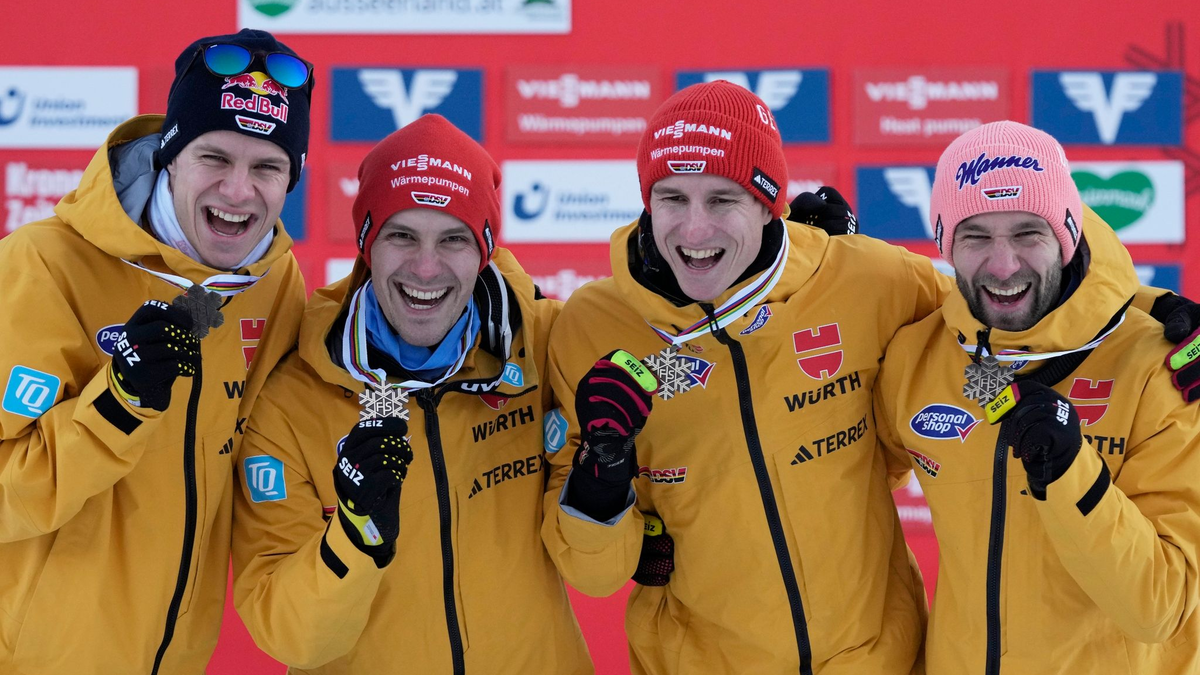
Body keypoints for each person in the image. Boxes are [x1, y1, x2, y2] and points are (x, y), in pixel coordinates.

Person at [540, 80, 947, 675]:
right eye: (672, 198)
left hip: (878, 659)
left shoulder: (871, 280)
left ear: (767, 203)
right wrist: (600, 476)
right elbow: (593, 574)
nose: (693, 231)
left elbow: (1000, 334)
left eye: (722, 199)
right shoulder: (592, 328)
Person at [231, 114, 593, 674]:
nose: (426, 268)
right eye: (401, 235)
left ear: (485, 250)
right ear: (366, 246)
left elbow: (599, 569)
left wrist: (605, 476)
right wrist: (355, 535)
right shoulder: (291, 396)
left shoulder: (547, 346)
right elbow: (291, 637)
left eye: (453, 238)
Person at [0, 28, 312, 675]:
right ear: (171, 154)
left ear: (293, 179)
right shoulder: (41, 265)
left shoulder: (276, 283)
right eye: (214, 157)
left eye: (267, 167)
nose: (238, 191)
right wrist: (116, 405)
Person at [873, 121, 1200, 673]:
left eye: (1028, 233)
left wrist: (1071, 473)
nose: (1003, 266)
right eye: (976, 236)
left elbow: (1159, 610)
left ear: (1066, 236)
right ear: (945, 243)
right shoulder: (915, 357)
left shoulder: (1158, 368)